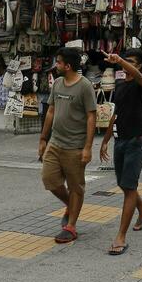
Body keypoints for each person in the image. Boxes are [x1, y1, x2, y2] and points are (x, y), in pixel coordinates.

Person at [39, 47, 97, 244]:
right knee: (50, 180)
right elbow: (50, 111)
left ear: (68, 66)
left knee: (76, 187)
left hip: (75, 146)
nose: (56, 65)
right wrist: (42, 139)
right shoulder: (57, 84)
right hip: (55, 142)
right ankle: (70, 205)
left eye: (59, 62)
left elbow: (91, 117)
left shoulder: (85, 86)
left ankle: (71, 226)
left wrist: (88, 147)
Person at [98, 50, 142, 255]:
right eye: (124, 61)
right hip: (120, 140)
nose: (125, 65)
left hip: (137, 141)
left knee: (129, 187)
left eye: (130, 62)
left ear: (139, 66)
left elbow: (138, 77)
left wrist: (120, 60)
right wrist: (105, 141)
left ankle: (120, 237)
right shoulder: (120, 86)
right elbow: (115, 114)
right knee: (124, 184)